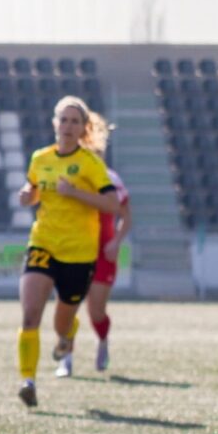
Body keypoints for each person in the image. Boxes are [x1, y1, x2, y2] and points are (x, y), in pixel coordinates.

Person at [15, 96, 120, 405]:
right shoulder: (40, 158)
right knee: (31, 313)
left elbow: (112, 204)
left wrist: (75, 193)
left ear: (83, 128)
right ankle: (28, 381)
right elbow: (34, 191)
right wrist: (28, 196)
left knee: (62, 322)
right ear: (55, 124)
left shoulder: (90, 164)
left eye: (75, 121)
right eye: (64, 120)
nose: (68, 126)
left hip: (78, 253)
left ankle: (66, 337)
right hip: (43, 242)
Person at [84, 145, 131, 373]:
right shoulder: (72, 176)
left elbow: (126, 217)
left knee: (96, 310)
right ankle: (67, 356)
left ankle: (102, 341)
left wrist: (116, 241)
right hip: (74, 248)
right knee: (67, 304)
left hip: (103, 252)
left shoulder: (111, 179)